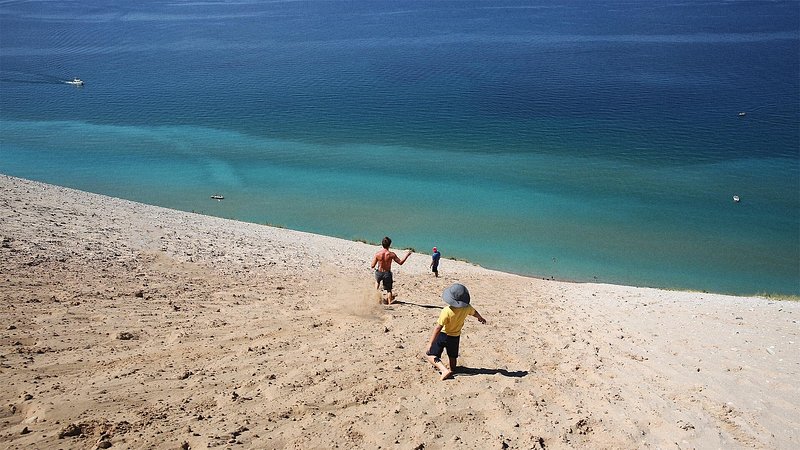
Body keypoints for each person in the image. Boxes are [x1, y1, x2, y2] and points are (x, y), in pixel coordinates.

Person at [425, 283, 486, 380]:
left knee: (430, 355)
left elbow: (438, 327)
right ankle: (452, 369)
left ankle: (443, 370)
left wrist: (430, 343)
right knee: (452, 357)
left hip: (443, 335)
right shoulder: (467, 308)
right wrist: (480, 318)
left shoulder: (446, 311)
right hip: (455, 336)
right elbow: (474, 313)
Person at [370, 236, 411, 304]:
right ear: (390, 245)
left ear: (382, 244)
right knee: (389, 290)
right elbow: (400, 262)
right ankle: (389, 303)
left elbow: (372, 266)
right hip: (387, 273)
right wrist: (407, 255)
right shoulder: (391, 254)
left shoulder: (378, 254)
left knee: (377, 283)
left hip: (379, 272)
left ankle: (374, 299)